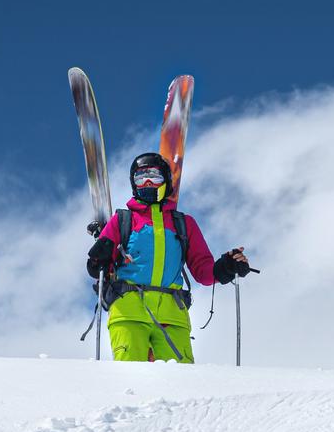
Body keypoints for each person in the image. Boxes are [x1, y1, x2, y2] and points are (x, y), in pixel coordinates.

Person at [85, 152, 251, 362]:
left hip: (172, 316)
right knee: (131, 376)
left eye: (153, 176)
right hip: (128, 312)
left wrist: (227, 266)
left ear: (166, 180)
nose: (147, 183)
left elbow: (204, 272)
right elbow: (99, 269)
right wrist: (97, 260)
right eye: (140, 177)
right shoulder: (122, 220)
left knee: (180, 382)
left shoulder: (183, 224)